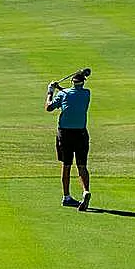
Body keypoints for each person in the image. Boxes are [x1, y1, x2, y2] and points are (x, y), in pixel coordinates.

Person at [46, 72, 91, 210]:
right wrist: (60, 89)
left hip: (65, 134)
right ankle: (85, 191)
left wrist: (50, 91)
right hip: (81, 133)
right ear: (83, 82)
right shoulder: (86, 94)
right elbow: (71, 94)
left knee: (66, 165)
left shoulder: (63, 94)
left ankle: (66, 197)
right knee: (82, 165)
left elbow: (49, 107)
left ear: (71, 81)